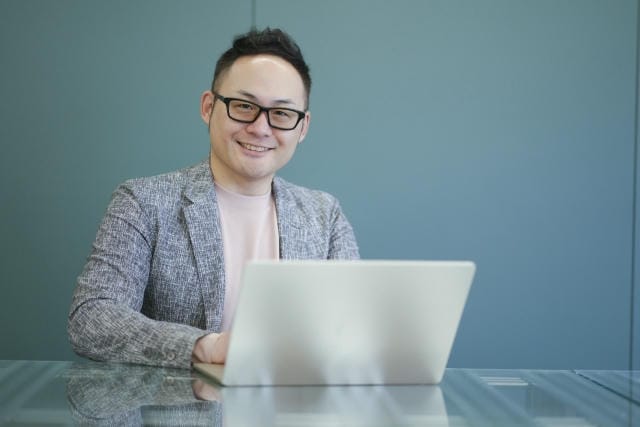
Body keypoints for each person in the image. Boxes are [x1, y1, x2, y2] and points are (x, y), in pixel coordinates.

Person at [68, 28, 359, 369]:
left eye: (281, 113)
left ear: (303, 127)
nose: (260, 128)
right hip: (176, 402)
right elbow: (91, 317)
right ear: (208, 107)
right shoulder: (142, 202)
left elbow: (355, 327)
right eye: (243, 106)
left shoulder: (325, 216)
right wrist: (205, 347)